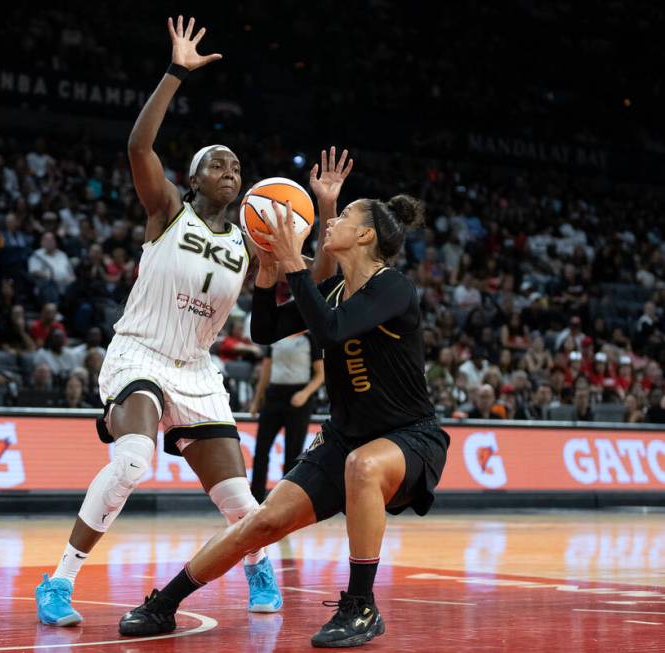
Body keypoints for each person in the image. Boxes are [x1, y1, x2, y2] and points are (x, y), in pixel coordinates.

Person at [117, 148, 450, 649]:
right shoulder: (335, 291)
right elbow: (266, 328)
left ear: (364, 236)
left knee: (362, 466)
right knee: (263, 521)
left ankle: (361, 607)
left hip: (408, 437)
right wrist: (270, 272)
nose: (328, 221)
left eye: (341, 217)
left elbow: (332, 331)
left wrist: (295, 261)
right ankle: (165, 602)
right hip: (345, 438)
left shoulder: (394, 288)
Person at [34, 15, 282, 627]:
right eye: (219, 164)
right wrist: (176, 72)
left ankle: (259, 569)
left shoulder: (250, 244)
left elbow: (275, 307)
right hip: (140, 354)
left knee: (238, 500)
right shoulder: (168, 208)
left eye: (237, 167)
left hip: (198, 370)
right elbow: (138, 147)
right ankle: (58, 582)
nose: (232, 171)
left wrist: (308, 226)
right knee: (132, 460)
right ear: (194, 178)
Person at [248, 329, 324, 502]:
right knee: (261, 450)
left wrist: (305, 393)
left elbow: (321, 374)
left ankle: (284, 500)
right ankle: (255, 499)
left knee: (292, 452)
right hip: (274, 395)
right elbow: (266, 371)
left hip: (298, 396)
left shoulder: (310, 338)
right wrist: (257, 399)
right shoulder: (275, 337)